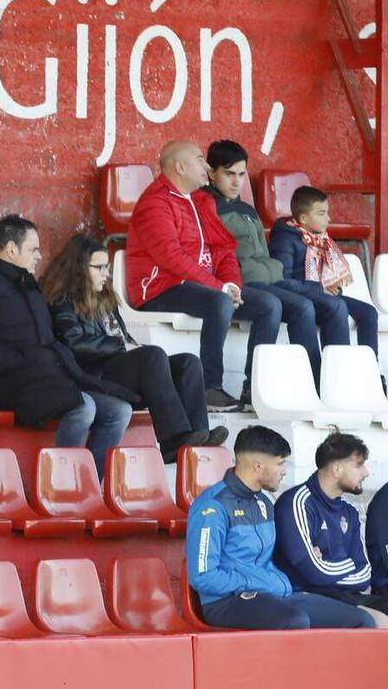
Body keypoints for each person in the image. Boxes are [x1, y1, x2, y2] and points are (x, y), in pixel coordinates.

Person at [0, 215, 134, 476]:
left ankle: (90, 483)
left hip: (51, 376)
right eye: (33, 249)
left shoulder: (29, 286)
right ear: (11, 249)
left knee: (120, 410)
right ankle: (63, 486)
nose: (39, 256)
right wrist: (21, 359)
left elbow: (47, 340)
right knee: (84, 407)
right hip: (14, 382)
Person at [125, 138, 279, 410]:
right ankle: (210, 388)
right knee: (218, 301)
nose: (206, 165)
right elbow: (170, 258)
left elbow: (223, 248)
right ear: (181, 167)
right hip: (160, 288)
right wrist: (219, 288)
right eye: (199, 160)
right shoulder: (154, 203)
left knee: (268, 305)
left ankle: (253, 388)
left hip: (202, 286)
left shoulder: (202, 200)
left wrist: (231, 282)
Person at [43, 235, 226, 461]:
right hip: (96, 375)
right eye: (99, 267)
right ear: (79, 269)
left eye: (107, 267)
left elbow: (122, 336)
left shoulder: (106, 297)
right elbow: (73, 343)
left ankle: (200, 435)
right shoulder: (63, 301)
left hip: (121, 368)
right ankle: (172, 440)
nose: (106, 274)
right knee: (152, 355)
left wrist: (131, 346)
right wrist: (123, 347)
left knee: (188, 362)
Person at [186, 425, 376, 630]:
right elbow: (203, 577)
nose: (285, 471)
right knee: (294, 620)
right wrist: (261, 582)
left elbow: (271, 558)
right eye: (280, 463)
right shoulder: (212, 507)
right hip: (226, 601)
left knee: (361, 620)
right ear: (258, 466)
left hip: (275, 594)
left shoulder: (264, 503)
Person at [206, 141, 344, 380]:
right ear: (211, 172)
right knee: (301, 306)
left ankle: (332, 382)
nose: (237, 181)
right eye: (229, 174)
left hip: (272, 280)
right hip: (242, 284)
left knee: (335, 306)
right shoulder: (205, 205)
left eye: (241, 174)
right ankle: (259, 386)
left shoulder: (247, 210)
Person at [272, 432, 387, 621]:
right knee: (373, 620)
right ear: (336, 469)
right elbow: (312, 573)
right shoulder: (296, 503)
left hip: (342, 595)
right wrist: (349, 563)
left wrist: (325, 564)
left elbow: (365, 573)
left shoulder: (350, 511)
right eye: (359, 465)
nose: (366, 472)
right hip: (306, 596)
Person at [271, 185, 379, 356]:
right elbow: (282, 281)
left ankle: (371, 369)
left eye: (327, 212)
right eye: (321, 214)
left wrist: (330, 287)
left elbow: (326, 276)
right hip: (302, 297)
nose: (328, 219)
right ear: (304, 218)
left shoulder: (320, 239)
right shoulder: (285, 239)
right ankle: (335, 368)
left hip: (322, 294)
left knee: (368, 313)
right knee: (338, 306)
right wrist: (319, 288)